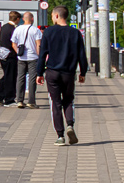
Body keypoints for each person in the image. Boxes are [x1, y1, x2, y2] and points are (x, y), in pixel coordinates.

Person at [36, 7, 87, 146]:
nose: (52, 18)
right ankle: (70, 125)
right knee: (69, 100)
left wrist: (39, 73)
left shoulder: (49, 31)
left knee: (56, 103)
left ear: (57, 15)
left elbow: (42, 54)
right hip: (69, 73)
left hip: (52, 72)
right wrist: (83, 72)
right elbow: (82, 54)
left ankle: (60, 136)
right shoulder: (75, 33)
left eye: (52, 15)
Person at [13, 12, 42, 108]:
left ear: (23, 19)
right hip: (33, 57)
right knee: (32, 79)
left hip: (21, 58)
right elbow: (38, 44)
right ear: (32, 19)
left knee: (20, 77)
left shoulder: (17, 29)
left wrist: (19, 53)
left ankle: (19, 100)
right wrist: (40, 56)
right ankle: (31, 101)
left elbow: (13, 44)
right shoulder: (35, 30)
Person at [0, 11, 20, 106]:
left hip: (2, 54)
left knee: (6, 75)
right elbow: (14, 43)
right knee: (11, 77)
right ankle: (9, 99)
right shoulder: (13, 29)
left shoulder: (4, 27)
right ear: (17, 19)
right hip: (11, 55)